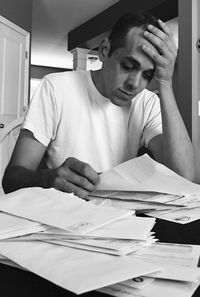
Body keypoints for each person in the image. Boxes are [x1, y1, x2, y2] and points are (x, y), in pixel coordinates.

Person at [2, 12, 195, 198]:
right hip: (64, 216)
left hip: (123, 220)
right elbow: (10, 180)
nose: (135, 84)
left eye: (147, 75)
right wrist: (49, 178)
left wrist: (165, 83)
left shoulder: (148, 103)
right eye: (128, 66)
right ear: (104, 50)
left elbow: (184, 176)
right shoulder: (55, 87)